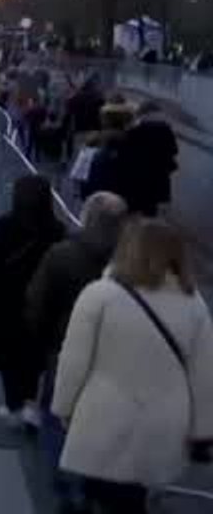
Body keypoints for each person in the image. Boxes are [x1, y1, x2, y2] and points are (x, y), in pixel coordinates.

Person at [52, 219, 213, 514]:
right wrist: (203, 431)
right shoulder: (194, 305)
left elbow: (74, 361)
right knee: (132, 496)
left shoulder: (100, 295)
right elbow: (204, 376)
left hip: (104, 415)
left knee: (99, 488)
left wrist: (64, 406)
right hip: (163, 422)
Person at [27, 192, 129, 514]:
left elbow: (38, 306)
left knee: (58, 418)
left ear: (86, 217)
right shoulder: (133, 265)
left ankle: (67, 488)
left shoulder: (61, 255)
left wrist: (44, 345)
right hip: (115, 359)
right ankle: (98, 484)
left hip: (65, 352)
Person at [0, 176, 66, 429]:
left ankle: (15, 404)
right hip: (41, 308)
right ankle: (30, 402)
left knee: (9, 361)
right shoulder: (57, 231)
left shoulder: (2, 227)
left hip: (6, 306)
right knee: (34, 360)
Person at [119, 101, 178, 217]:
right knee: (151, 212)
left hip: (138, 179)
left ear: (142, 114)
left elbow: (125, 153)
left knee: (133, 211)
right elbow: (174, 150)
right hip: (158, 177)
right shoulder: (165, 128)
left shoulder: (134, 130)